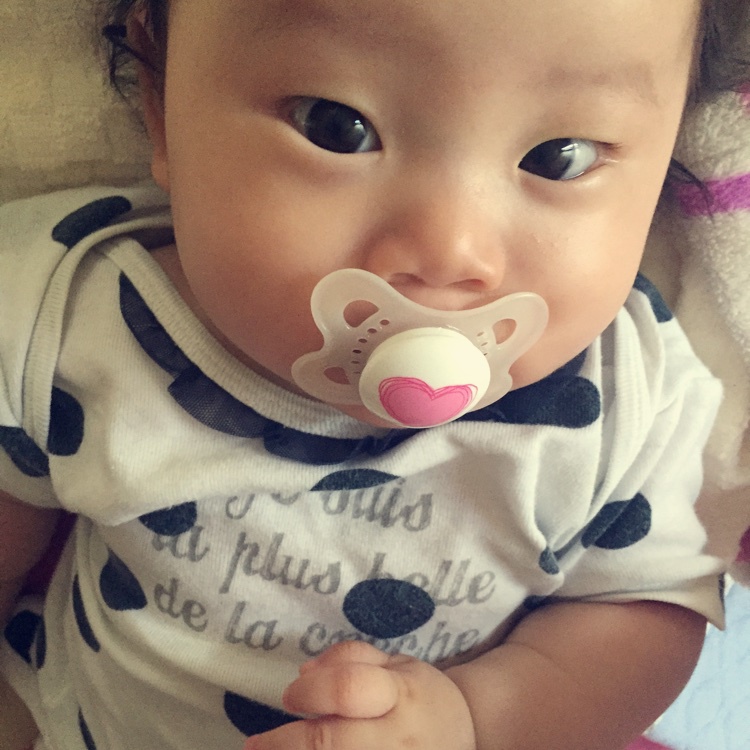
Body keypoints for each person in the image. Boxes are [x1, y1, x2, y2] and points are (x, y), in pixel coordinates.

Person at [0, 0, 746, 748]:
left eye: (561, 157)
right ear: (161, 103)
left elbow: (644, 612)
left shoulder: (631, 395)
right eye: (336, 126)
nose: (450, 251)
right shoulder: (64, 315)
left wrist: (479, 720)